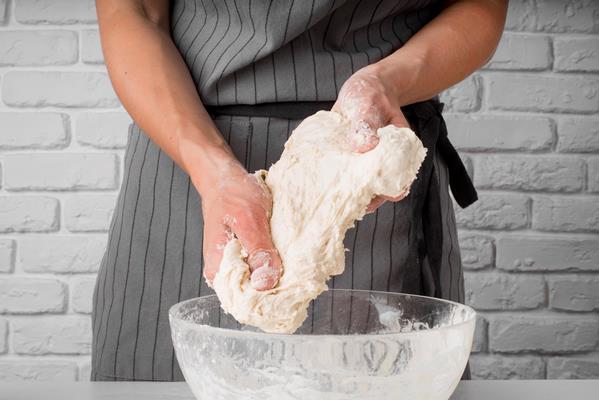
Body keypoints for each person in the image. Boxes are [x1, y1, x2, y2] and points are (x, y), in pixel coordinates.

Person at [91, 0, 507, 381]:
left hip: (366, 160)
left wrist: (385, 82)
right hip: (184, 156)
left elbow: (480, 7)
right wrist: (212, 171)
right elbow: (132, 13)